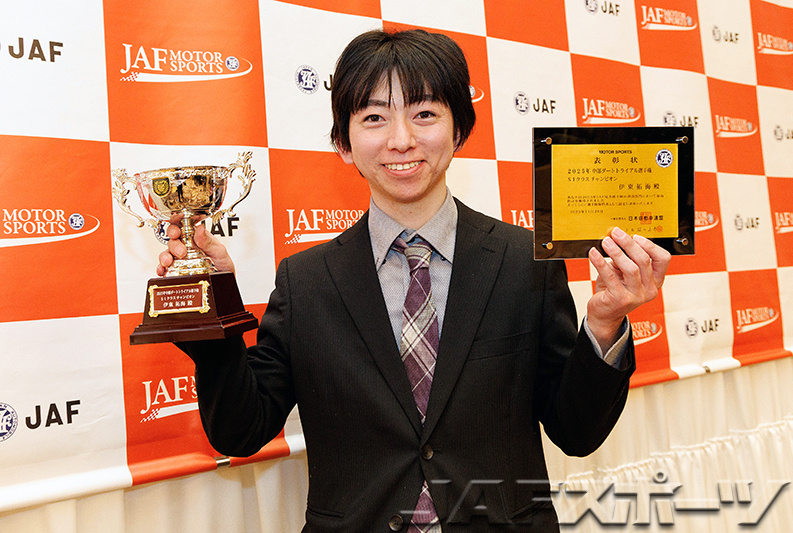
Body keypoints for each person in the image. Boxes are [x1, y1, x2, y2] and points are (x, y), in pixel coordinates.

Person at [158, 29, 670, 532]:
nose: (401, 140)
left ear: (459, 130)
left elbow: (576, 432)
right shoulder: (306, 281)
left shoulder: (523, 262)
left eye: (424, 114)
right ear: (343, 143)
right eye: (374, 118)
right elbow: (240, 431)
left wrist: (605, 324)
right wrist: (213, 307)